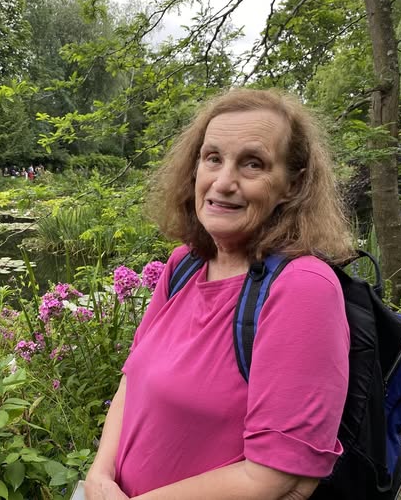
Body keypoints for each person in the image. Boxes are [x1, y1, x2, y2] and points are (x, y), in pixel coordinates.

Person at [85, 89, 354, 500]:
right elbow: (131, 383)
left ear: (291, 185)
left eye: (252, 164)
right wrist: (99, 475)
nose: (223, 182)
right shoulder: (184, 265)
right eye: (213, 158)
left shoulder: (302, 288)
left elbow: (273, 477)